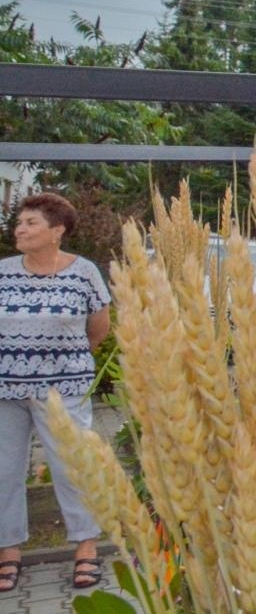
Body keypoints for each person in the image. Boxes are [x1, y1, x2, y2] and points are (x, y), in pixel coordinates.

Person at [0, 193, 112, 593]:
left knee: (72, 468)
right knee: (3, 472)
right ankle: (8, 552)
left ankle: (85, 548)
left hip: (64, 388)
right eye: (20, 223)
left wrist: (65, 363)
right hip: (5, 389)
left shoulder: (84, 272)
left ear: (57, 231)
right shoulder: (4, 271)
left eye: (30, 223)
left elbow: (98, 327)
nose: (20, 229)